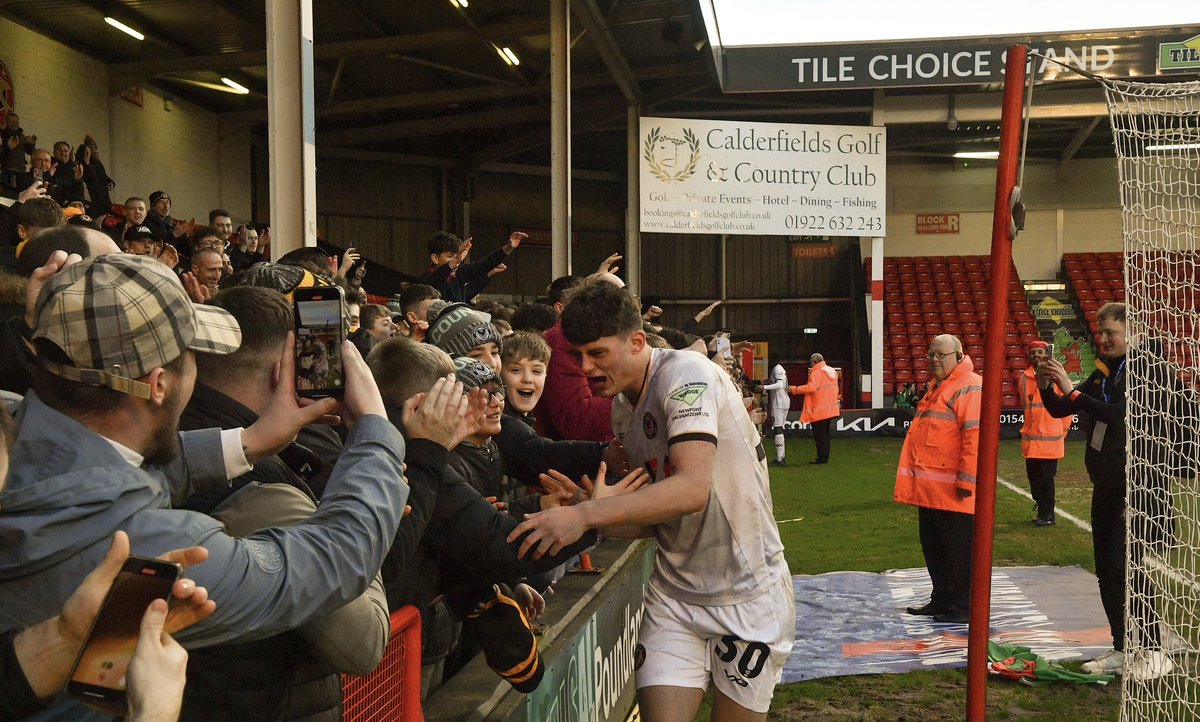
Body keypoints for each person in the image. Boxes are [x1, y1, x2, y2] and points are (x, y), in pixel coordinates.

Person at [0, 253, 411, 718]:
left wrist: (249, 442)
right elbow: (335, 560)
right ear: (159, 385)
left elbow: (103, 480)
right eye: (191, 357)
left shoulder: (12, 429)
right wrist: (375, 430)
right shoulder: (151, 551)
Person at [508, 278, 794, 722]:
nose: (585, 368)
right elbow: (658, 516)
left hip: (748, 594)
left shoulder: (686, 376)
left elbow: (691, 490)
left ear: (637, 340)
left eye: (598, 353)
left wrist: (588, 512)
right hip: (675, 594)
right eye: (578, 355)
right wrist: (589, 514)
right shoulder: (624, 407)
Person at [1039, 302, 1174, 680]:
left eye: (1110, 333)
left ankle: (1154, 650)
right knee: (1107, 571)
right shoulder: (1107, 371)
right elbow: (1061, 409)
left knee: (1127, 567)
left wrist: (1076, 395)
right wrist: (1046, 382)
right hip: (1109, 485)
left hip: (1141, 486)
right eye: (1100, 333)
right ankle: (1121, 646)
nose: (1103, 340)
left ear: (1132, 333)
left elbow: (1118, 415)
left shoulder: (1148, 371)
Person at [894, 333, 980, 625]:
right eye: (930, 354)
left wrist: (967, 482)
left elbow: (975, 438)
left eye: (939, 355)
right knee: (935, 548)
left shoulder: (969, 386)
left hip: (954, 491)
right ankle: (942, 599)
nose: (933, 360)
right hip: (932, 489)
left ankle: (962, 606)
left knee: (957, 552)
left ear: (958, 355)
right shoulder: (938, 386)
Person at [1018, 340, 1073, 526]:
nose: (1036, 356)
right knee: (1034, 480)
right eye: (1033, 352)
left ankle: (1048, 515)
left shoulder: (1056, 376)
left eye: (1040, 352)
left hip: (1049, 442)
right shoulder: (1024, 378)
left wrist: (1061, 432)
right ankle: (1042, 510)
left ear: (1047, 354)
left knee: (1046, 481)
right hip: (1031, 442)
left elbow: (1068, 408)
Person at [789, 353, 840, 465]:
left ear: (815, 362)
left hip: (819, 410)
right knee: (825, 435)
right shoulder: (832, 371)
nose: (810, 365)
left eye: (811, 363)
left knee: (819, 435)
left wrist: (794, 389)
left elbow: (812, 387)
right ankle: (824, 458)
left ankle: (821, 459)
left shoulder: (816, 372)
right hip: (830, 409)